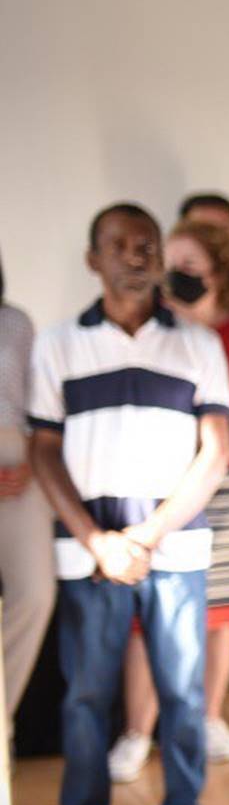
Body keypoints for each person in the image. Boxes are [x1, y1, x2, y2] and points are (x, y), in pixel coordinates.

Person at [27, 204, 229, 805]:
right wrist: (98, 542)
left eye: (147, 244)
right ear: (94, 260)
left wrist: (148, 534)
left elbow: (214, 452)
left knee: (182, 692)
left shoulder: (198, 344)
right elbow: (43, 450)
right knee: (86, 697)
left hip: (172, 548)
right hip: (89, 554)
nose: (136, 255)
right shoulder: (58, 344)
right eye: (120, 245)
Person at [108, 221, 229, 780]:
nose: (174, 275)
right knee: (150, 613)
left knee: (219, 613)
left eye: (189, 265)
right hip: (163, 489)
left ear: (219, 270)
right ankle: (137, 732)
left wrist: (213, 458)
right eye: (169, 263)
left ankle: (209, 718)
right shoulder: (154, 329)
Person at [0, 247, 56, 717]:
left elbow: (40, 402)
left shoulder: (16, 322)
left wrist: (34, 462)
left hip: (19, 463)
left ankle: (2, 724)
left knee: (36, 594)